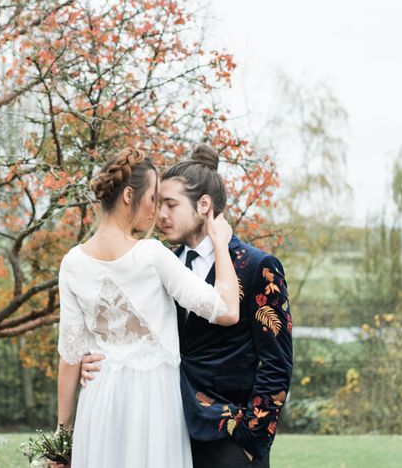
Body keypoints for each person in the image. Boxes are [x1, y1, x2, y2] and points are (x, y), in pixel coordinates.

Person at [82, 145, 293, 467]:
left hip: (228, 439)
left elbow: (277, 364)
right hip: (161, 433)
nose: (159, 214)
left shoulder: (256, 266)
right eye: (157, 202)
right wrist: (94, 360)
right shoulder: (157, 264)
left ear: (203, 205)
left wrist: (250, 443)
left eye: (170, 204)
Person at [56, 147, 241, 468]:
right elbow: (227, 311)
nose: (158, 210)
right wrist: (221, 244)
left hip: (99, 401)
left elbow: (70, 356)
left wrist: (63, 433)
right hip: (154, 403)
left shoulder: (72, 263)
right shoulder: (152, 255)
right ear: (129, 195)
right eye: (154, 198)